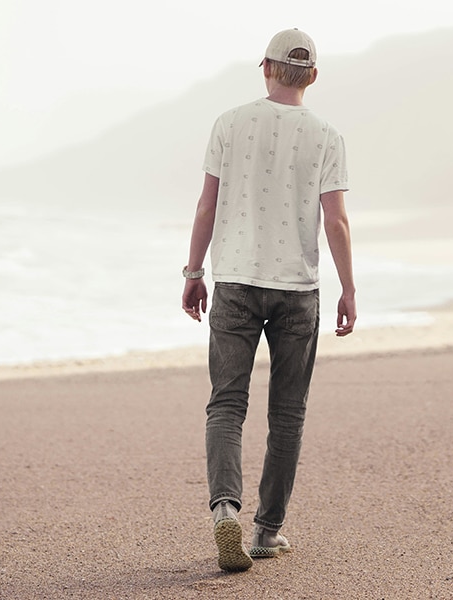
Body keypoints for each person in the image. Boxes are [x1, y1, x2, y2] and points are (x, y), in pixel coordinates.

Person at [180, 28, 355, 572]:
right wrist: (349, 287)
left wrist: (192, 271)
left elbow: (207, 206)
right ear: (313, 76)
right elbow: (336, 219)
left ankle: (225, 509)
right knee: (288, 413)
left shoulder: (230, 124)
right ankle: (265, 531)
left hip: (233, 280)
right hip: (297, 291)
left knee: (227, 405)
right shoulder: (326, 135)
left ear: (265, 67)